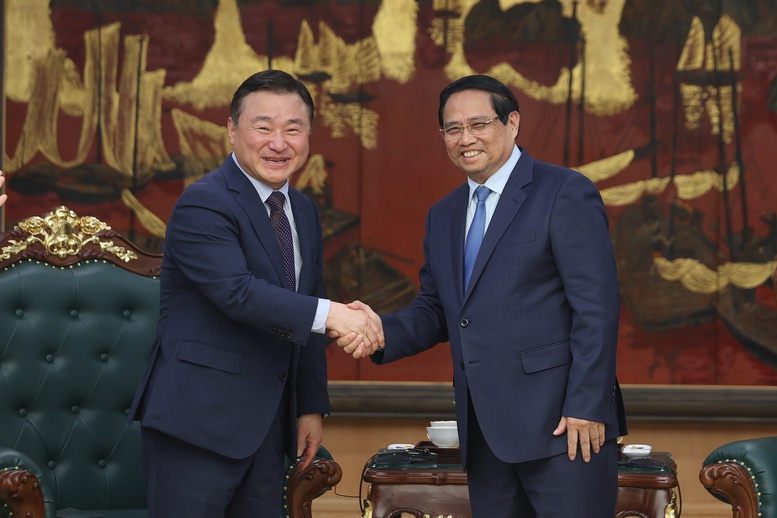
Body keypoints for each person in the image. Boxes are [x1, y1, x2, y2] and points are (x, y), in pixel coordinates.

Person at [335, 75, 627, 517]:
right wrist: (377, 331)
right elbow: (438, 310)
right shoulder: (444, 214)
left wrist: (587, 406)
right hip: (485, 433)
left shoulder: (563, 191)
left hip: (565, 429)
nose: (465, 138)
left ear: (512, 123)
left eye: (478, 124)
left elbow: (597, 308)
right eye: (452, 129)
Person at [128, 69, 383, 518]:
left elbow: (305, 308)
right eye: (263, 127)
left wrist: (309, 408)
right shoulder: (204, 202)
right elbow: (239, 293)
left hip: (268, 428)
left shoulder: (303, 209)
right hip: (197, 423)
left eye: (293, 129)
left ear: (309, 135)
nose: (278, 143)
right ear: (232, 130)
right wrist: (336, 315)